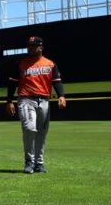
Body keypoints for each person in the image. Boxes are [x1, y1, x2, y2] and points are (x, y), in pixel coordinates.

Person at [6, 36, 66, 174]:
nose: (30, 47)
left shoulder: (50, 64)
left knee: (41, 133)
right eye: (29, 45)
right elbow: (12, 83)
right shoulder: (21, 63)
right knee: (29, 128)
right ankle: (29, 161)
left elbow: (56, 81)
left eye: (33, 45)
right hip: (26, 99)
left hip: (44, 100)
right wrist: (9, 101)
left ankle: (39, 163)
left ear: (41, 47)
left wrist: (61, 96)